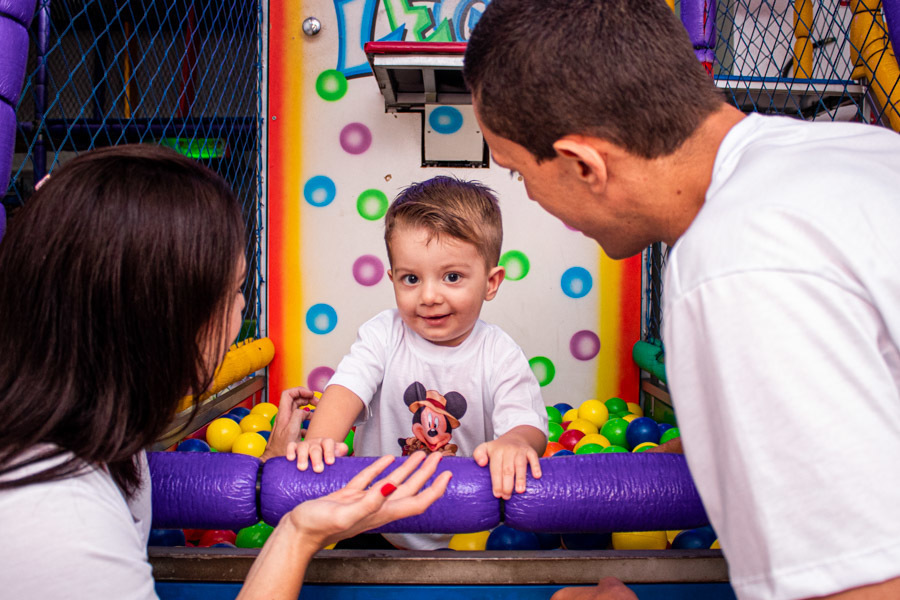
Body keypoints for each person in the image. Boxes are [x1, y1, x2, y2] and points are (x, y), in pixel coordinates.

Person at [463, 1, 900, 599]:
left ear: (584, 163)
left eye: (519, 173)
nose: (532, 198)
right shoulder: (858, 151)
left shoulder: (737, 263)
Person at [0, 145, 452, 600]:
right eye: (235, 290)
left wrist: (286, 504)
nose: (241, 311)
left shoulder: (94, 432)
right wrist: (298, 536)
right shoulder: (57, 524)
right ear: (165, 319)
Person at [290, 176, 548, 550]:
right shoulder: (383, 334)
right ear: (392, 278)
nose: (429, 296)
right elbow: (346, 389)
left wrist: (514, 442)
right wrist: (319, 441)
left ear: (491, 282)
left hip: (469, 527)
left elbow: (527, 424)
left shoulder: (499, 352)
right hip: (373, 519)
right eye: (411, 278)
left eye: (452, 277)